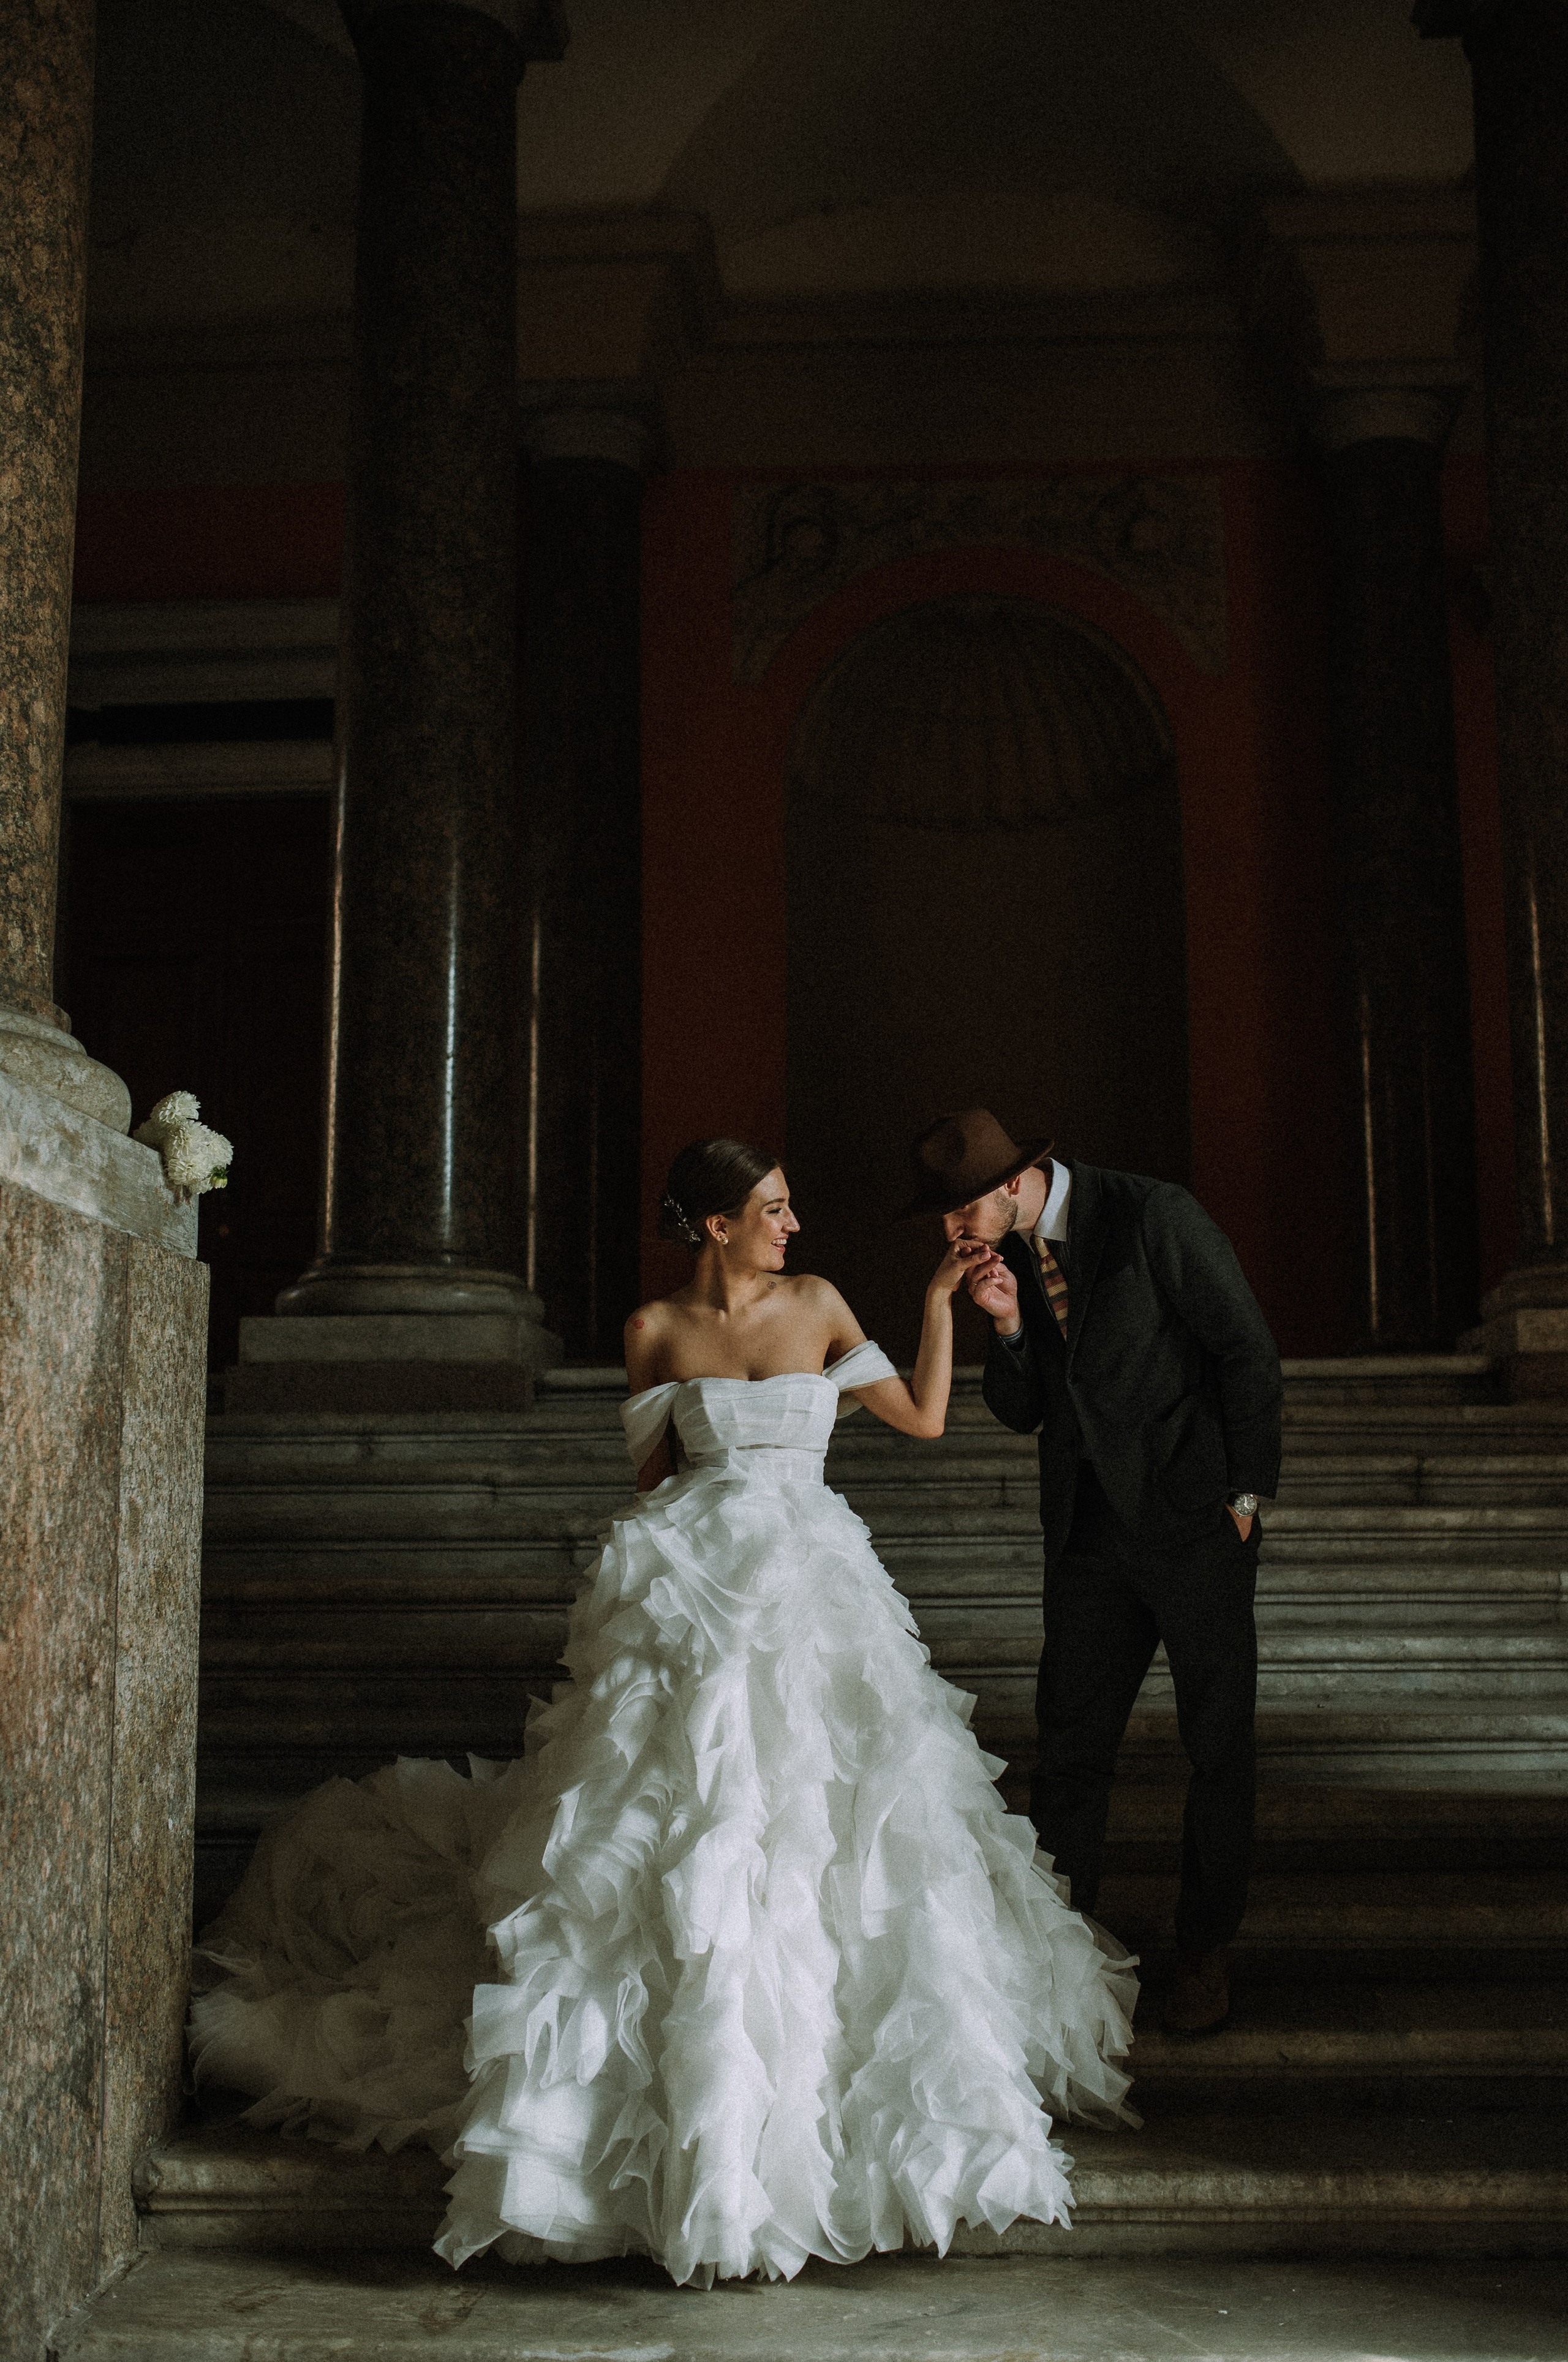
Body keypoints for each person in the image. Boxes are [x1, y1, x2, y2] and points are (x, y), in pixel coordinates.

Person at [190, 1137, 1137, 2290]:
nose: (794, 1225)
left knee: (833, 1827)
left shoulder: (821, 1303)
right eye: (774, 1209)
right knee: (685, 1829)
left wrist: (940, 1304)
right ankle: (655, 2138)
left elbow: (926, 1418)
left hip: (813, 1590)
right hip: (695, 1590)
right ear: (718, 1224)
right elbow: (655, 1484)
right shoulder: (653, 1330)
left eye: (790, 1206)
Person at [903, 1109, 1283, 2037]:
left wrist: (1245, 1496)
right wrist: (1007, 1325)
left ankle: (1204, 1949)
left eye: (961, 1210)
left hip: (1195, 1524)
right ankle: (1058, 1959)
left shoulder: (1154, 1216)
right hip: (1088, 1540)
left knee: (1218, 1746)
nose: (951, 1232)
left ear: (1013, 1183)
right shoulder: (1008, 1257)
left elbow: (1245, 1348)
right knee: (1070, 1753)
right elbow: (1024, 1409)